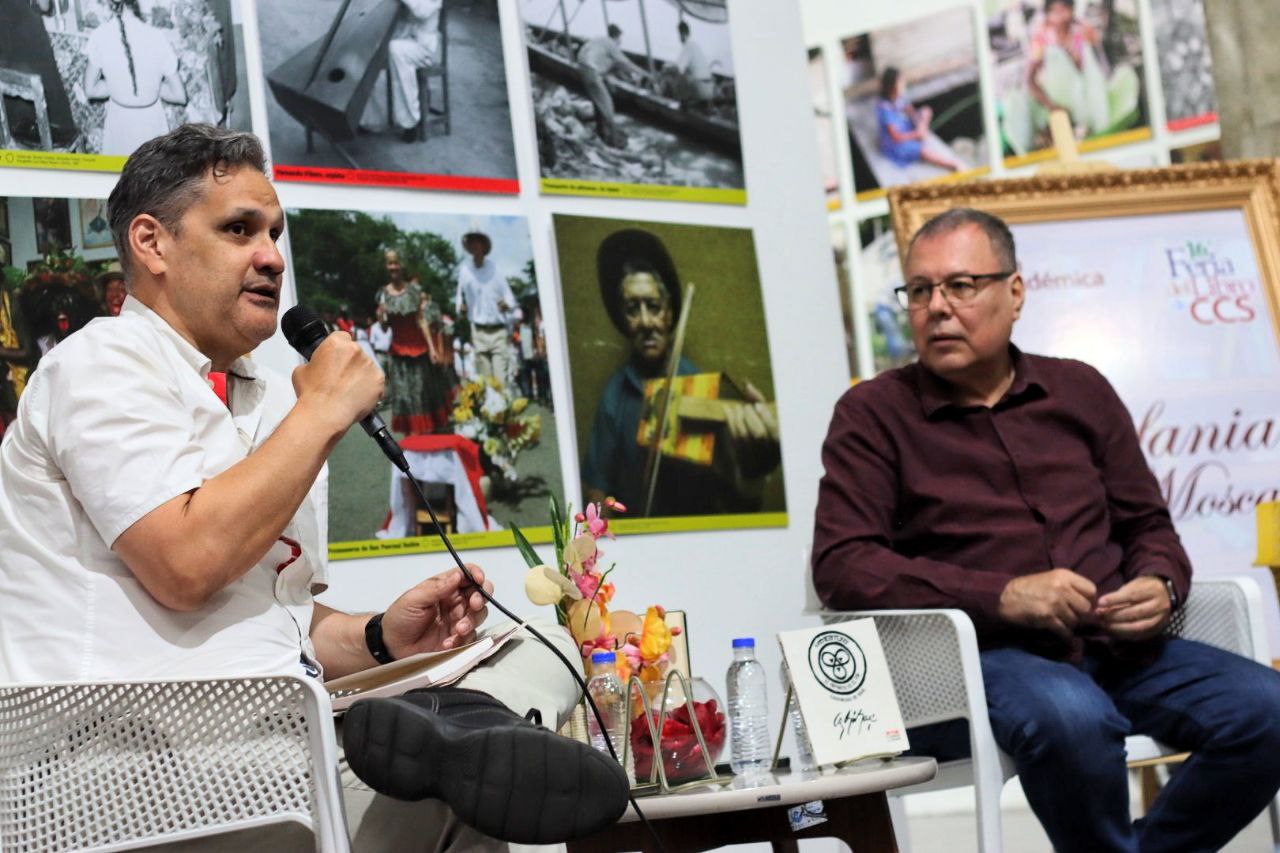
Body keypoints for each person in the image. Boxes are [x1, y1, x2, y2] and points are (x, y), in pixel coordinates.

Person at [0, 124, 628, 851]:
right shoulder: (100, 364)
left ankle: (455, 725)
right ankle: (456, 728)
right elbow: (186, 565)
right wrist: (324, 410)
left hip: (270, 738)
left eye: (275, 232)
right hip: (120, 771)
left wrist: (380, 637)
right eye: (239, 229)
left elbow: (281, 616)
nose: (272, 256)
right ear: (152, 243)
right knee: (458, 784)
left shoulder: (268, 395)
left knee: (539, 655)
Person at [811, 207, 1280, 853]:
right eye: (919, 290)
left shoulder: (1080, 390)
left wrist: (1159, 582)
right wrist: (1002, 595)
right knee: (1072, 718)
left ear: (1015, 292)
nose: (937, 307)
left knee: (1267, 709)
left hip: (1120, 646)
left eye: (960, 285)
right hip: (983, 659)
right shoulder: (873, 414)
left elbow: (1148, 523)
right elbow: (843, 564)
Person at [581, 228, 780, 517]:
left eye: (654, 306)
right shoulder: (615, 393)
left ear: (669, 313)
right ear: (623, 320)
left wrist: (752, 471)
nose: (646, 321)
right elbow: (597, 485)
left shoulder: (700, 388)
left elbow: (736, 501)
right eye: (632, 309)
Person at [1001, 0, 1140, 155]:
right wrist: (1052, 107)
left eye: (1064, 9)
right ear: (1048, 14)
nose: (1060, 16)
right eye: (1055, 11)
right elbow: (1029, 80)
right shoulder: (1042, 36)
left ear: (1072, 10)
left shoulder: (1084, 30)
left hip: (1087, 109)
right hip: (1050, 107)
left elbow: (1099, 70)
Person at [83, 0, 187, 156]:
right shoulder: (157, 37)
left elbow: (90, 90)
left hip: (119, 124)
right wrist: (152, 87)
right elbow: (179, 95)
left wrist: (117, 86)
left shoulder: (100, 36)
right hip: (151, 125)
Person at [377, 250, 449, 434]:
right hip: (398, 353)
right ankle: (409, 438)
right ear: (386, 266)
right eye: (390, 263)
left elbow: (422, 320)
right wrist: (380, 317)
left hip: (418, 350)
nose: (393, 267)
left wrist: (432, 349)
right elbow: (384, 328)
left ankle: (426, 434)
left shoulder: (413, 291)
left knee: (420, 393)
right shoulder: (383, 294)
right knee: (403, 396)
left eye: (396, 263)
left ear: (402, 265)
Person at [361, 0, 444, 142]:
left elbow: (422, 12)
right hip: (403, 39)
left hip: (423, 47)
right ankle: (371, 120)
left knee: (396, 50)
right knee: (371, 48)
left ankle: (410, 122)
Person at [576, 24, 651, 148]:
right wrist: (646, 74)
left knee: (598, 101)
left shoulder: (600, 40)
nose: (620, 42)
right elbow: (626, 63)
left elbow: (607, 64)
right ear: (616, 37)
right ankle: (614, 140)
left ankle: (601, 132)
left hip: (582, 65)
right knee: (607, 105)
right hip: (591, 69)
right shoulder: (611, 44)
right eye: (620, 39)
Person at [455, 232, 515, 385]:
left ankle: (503, 400)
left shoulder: (495, 269)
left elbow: (511, 299)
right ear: (468, 247)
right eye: (471, 242)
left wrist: (505, 304)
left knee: (500, 381)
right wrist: (461, 308)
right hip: (478, 331)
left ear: (484, 246)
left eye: (478, 242)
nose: (475, 245)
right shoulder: (465, 271)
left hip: (498, 331)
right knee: (486, 383)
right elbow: (459, 299)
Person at [875, 66, 959, 172]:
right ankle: (953, 165)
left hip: (904, 127)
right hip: (895, 143)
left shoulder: (899, 97)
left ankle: (921, 134)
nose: (903, 84)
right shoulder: (885, 109)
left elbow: (910, 111)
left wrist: (918, 120)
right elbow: (895, 137)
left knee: (926, 111)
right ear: (892, 86)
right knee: (922, 151)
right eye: (900, 82)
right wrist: (916, 134)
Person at [671, 21, 714, 110]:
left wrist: (665, 70)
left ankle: (683, 107)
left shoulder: (688, 46)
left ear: (682, 34)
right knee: (686, 74)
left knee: (680, 77)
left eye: (679, 34)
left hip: (700, 89)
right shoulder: (695, 45)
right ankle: (700, 104)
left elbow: (678, 69)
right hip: (709, 89)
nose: (679, 38)